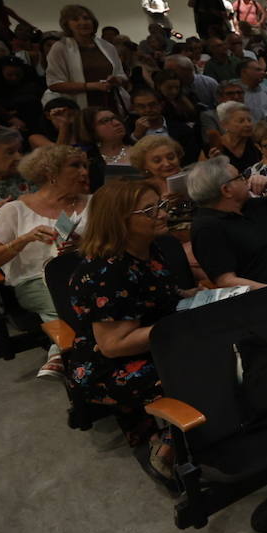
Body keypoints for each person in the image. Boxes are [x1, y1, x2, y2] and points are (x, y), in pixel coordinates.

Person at [68, 178, 192, 477]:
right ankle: (165, 444)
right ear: (119, 221)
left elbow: (162, 296)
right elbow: (114, 345)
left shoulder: (150, 246)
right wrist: (185, 325)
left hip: (151, 338)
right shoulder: (109, 271)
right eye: (149, 210)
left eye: (160, 205)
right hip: (109, 365)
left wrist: (200, 298)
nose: (161, 214)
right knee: (203, 368)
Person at [0, 144, 91, 377]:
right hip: (36, 280)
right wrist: (23, 240)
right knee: (73, 304)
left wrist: (84, 243)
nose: (84, 172)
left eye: (85, 165)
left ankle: (61, 353)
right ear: (49, 172)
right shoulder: (14, 210)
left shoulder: (95, 203)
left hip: (90, 273)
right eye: (75, 166)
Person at [187, 157, 267, 314]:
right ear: (226, 190)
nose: (247, 179)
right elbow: (227, 281)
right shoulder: (207, 228)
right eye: (240, 177)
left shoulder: (253, 205)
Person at [43, 4, 128, 111]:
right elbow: (54, 84)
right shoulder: (60, 48)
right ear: (67, 25)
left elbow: (122, 75)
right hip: (80, 107)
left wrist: (117, 79)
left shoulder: (107, 46)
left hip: (110, 103)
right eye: (75, 19)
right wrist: (91, 86)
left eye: (86, 18)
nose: (83, 22)